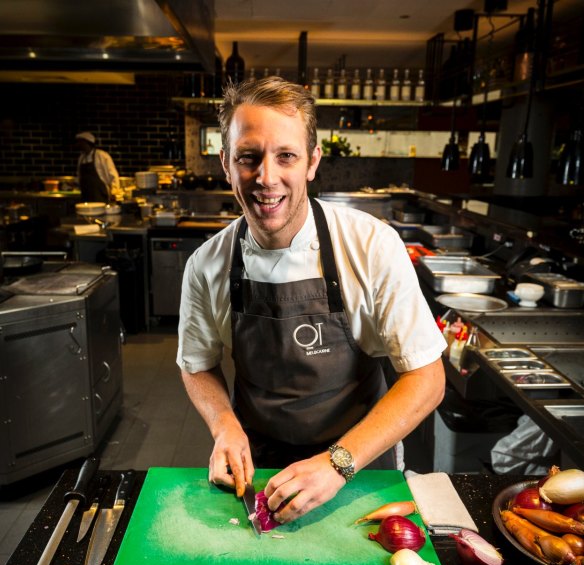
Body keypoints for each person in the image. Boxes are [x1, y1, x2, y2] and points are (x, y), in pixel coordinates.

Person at [177, 77, 447, 525]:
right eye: (249, 157)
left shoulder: (371, 246)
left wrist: (338, 462)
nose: (266, 178)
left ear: (312, 162)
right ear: (226, 163)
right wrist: (223, 423)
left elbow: (427, 378)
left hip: (359, 464)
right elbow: (197, 363)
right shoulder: (206, 266)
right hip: (260, 469)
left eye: (286, 156)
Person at [75, 131, 121, 202]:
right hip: (86, 196)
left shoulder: (101, 156)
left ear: (87, 143)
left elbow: (112, 175)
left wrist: (114, 192)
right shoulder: (81, 158)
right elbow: (79, 176)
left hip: (100, 195)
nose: (79, 145)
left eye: (81, 142)